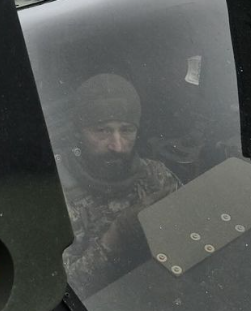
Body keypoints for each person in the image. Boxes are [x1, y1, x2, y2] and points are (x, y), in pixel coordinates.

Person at [57, 74, 181, 297]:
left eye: (126, 130)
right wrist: (118, 235)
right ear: (78, 132)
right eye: (102, 130)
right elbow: (63, 294)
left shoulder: (156, 175)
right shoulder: (55, 195)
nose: (117, 145)